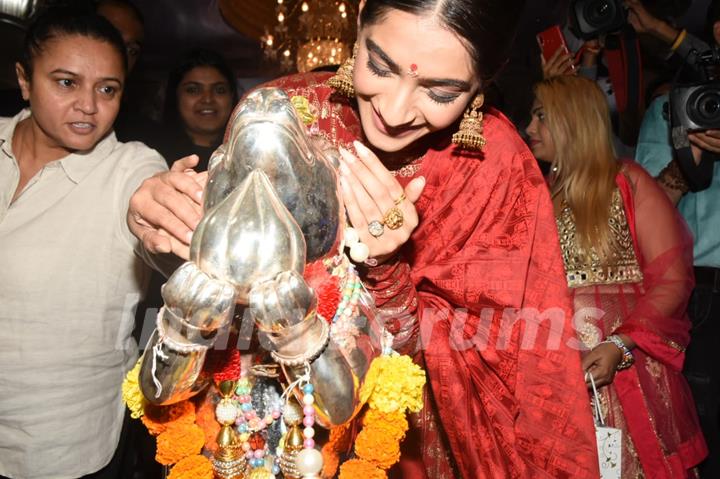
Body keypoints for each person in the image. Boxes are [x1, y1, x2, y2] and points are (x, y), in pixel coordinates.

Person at [126, 0, 601, 477]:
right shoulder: (284, 115)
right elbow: (218, 289)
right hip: (259, 430)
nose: (394, 112)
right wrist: (160, 225)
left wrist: (388, 269)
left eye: (440, 92)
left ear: (481, 85)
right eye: (379, 65)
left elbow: (499, 362)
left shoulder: (495, 168)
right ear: (357, 29)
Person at [0, 8, 166, 479]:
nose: (89, 106)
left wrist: (164, 216)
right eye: (66, 82)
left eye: (107, 89)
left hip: (63, 447)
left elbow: (152, 209)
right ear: (24, 80)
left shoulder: (128, 170)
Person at [526, 74, 707, 477]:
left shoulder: (627, 182)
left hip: (628, 370)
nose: (530, 129)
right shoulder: (535, 194)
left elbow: (672, 279)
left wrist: (620, 345)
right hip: (555, 368)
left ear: (571, 119)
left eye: (541, 117)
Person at [631, 1, 720, 476]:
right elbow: (643, 215)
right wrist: (688, 158)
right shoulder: (673, 109)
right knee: (700, 428)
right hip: (701, 298)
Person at [154, 48, 237, 171]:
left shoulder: (247, 155)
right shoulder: (153, 157)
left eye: (219, 90)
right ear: (175, 96)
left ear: (232, 96)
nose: (208, 99)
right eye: (193, 90)